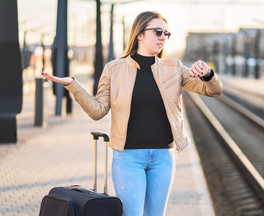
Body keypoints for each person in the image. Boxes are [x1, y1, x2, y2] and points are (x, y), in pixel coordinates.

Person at [42, 11, 222, 216]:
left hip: (163, 157)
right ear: (139, 34)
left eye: (166, 33)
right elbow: (97, 111)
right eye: (158, 31)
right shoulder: (114, 69)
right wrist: (73, 85)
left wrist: (208, 75)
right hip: (128, 158)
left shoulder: (174, 68)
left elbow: (213, 90)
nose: (163, 37)